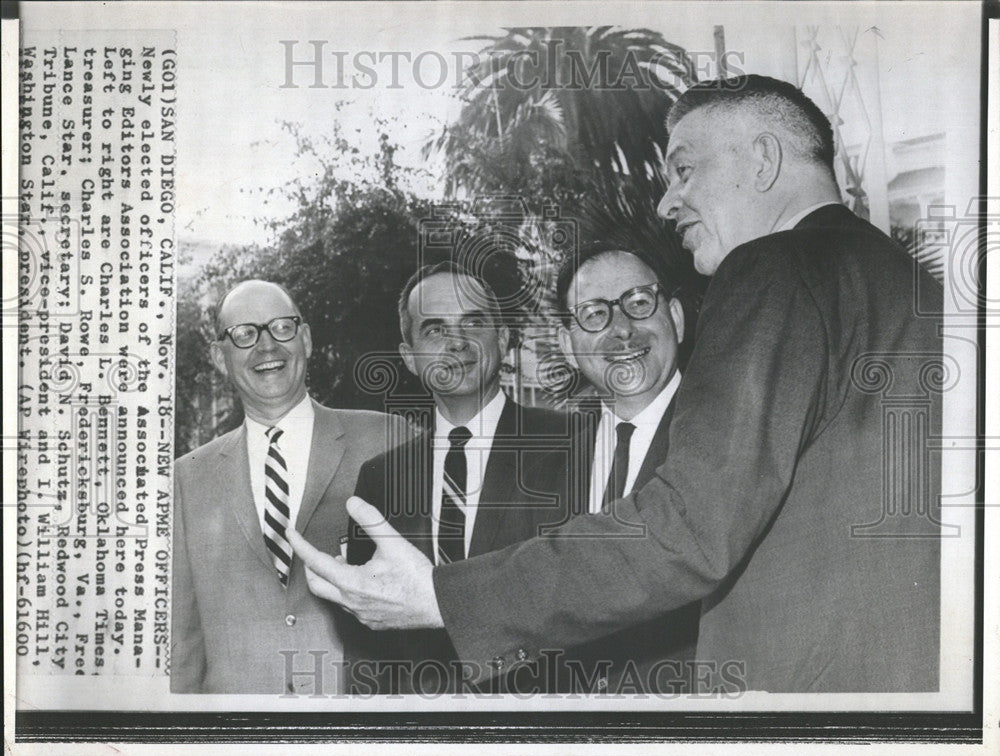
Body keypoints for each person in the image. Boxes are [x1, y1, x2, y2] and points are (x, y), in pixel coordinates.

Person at [291, 75, 944, 693]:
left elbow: (687, 528)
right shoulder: (914, 286)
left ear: (765, 160)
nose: (667, 201)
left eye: (685, 169)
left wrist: (442, 595)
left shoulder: (769, 267)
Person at [333, 261, 572, 694]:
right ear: (409, 358)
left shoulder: (573, 445)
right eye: (434, 329)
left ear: (502, 339)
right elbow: (367, 643)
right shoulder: (381, 479)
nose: (456, 342)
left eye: (473, 322)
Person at [170, 279, 408, 694]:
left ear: (307, 339)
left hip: (359, 721)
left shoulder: (389, 440)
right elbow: (183, 640)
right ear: (219, 359)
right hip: (234, 734)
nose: (267, 347)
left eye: (281, 327)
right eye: (244, 335)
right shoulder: (186, 478)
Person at [543, 246, 699, 693]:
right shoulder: (545, 461)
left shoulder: (729, 437)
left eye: (638, 303)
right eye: (594, 314)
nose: (622, 331)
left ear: (676, 318)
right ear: (568, 345)